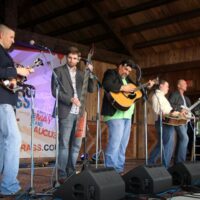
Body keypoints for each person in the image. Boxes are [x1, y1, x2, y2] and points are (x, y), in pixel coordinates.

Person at [101, 59, 154, 174]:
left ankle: (119, 169)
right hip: (115, 114)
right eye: (126, 69)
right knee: (115, 143)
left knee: (123, 144)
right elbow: (106, 84)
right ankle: (110, 170)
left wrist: (146, 87)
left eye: (129, 71)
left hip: (128, 116)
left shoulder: (129, 80)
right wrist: (122, 88)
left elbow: (137, 92)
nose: (127, 72)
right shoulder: (111, 73)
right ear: (120, 66)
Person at [51, 46, 94, 183]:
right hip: (66, 111)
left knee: (76, 146)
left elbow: (91, 89)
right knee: (64, 144)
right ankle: (62, 174)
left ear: (78, 59)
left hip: (80, 113)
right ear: (66, 57)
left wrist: (90, 74)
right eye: (69, 57)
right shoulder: (58, 71)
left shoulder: (82, 73)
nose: (72, 60)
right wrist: (70, 99)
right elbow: (54, 92)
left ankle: (71, 171)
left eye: (75, 58)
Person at [0, 24, 33, 196]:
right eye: (11, 37)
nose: (13, 41)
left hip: (5, 101)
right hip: (2, 101)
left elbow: (7, 79)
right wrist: (16, 70)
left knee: (2, 143)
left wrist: (19, 76)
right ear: (1, 35)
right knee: (14, 139)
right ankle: (9, 186)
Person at [148, 80, 178, 168]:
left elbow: (168, 110)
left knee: (162, 144)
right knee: (167, 145)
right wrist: (172, 113)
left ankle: (151, 162)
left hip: (167, 122)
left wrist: (177, 113)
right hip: (164, 122)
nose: (168, 88)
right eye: (167, 86)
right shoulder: (157, 96)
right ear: (161, 86)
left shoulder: (162, 97)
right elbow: (160, 111)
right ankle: (165, 166)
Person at [169, 79, 191, 163]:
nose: (186, 85)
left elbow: (189, 109)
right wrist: (180, 109)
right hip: (178, 120)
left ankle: (177, 162)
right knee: (185, 138)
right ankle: (181, 162)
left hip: (185, 120)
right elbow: (170, 104)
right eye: (184, 83)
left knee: (181, 139)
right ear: (179, 85)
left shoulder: (186, 98)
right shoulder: (174, 94)